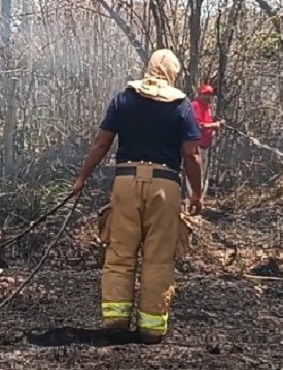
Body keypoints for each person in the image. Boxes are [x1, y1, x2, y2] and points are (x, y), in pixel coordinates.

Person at [71, 48, 204, 345]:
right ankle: (151, 329)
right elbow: (191, 154)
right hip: (165, 186)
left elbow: (101, 143)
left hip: (126, 183)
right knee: (158, 259)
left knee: (120, 253)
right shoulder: (181, 106)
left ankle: (116, 321)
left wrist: (82, 178)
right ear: (172, 73)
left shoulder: (124, 100)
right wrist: (196, 193)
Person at [190, 84, 224, 199]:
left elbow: (208, 124)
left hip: (205, 147)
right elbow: (198, 126)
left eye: (210, 95)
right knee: (194, 173)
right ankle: (192, 199)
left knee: (203, 175)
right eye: (205, 94)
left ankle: (200, 199)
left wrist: (217, 123)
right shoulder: (195, 105)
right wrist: (215, 125)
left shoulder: (208, 108)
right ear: (199, 95)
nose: (208, 97)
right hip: (196, 146)